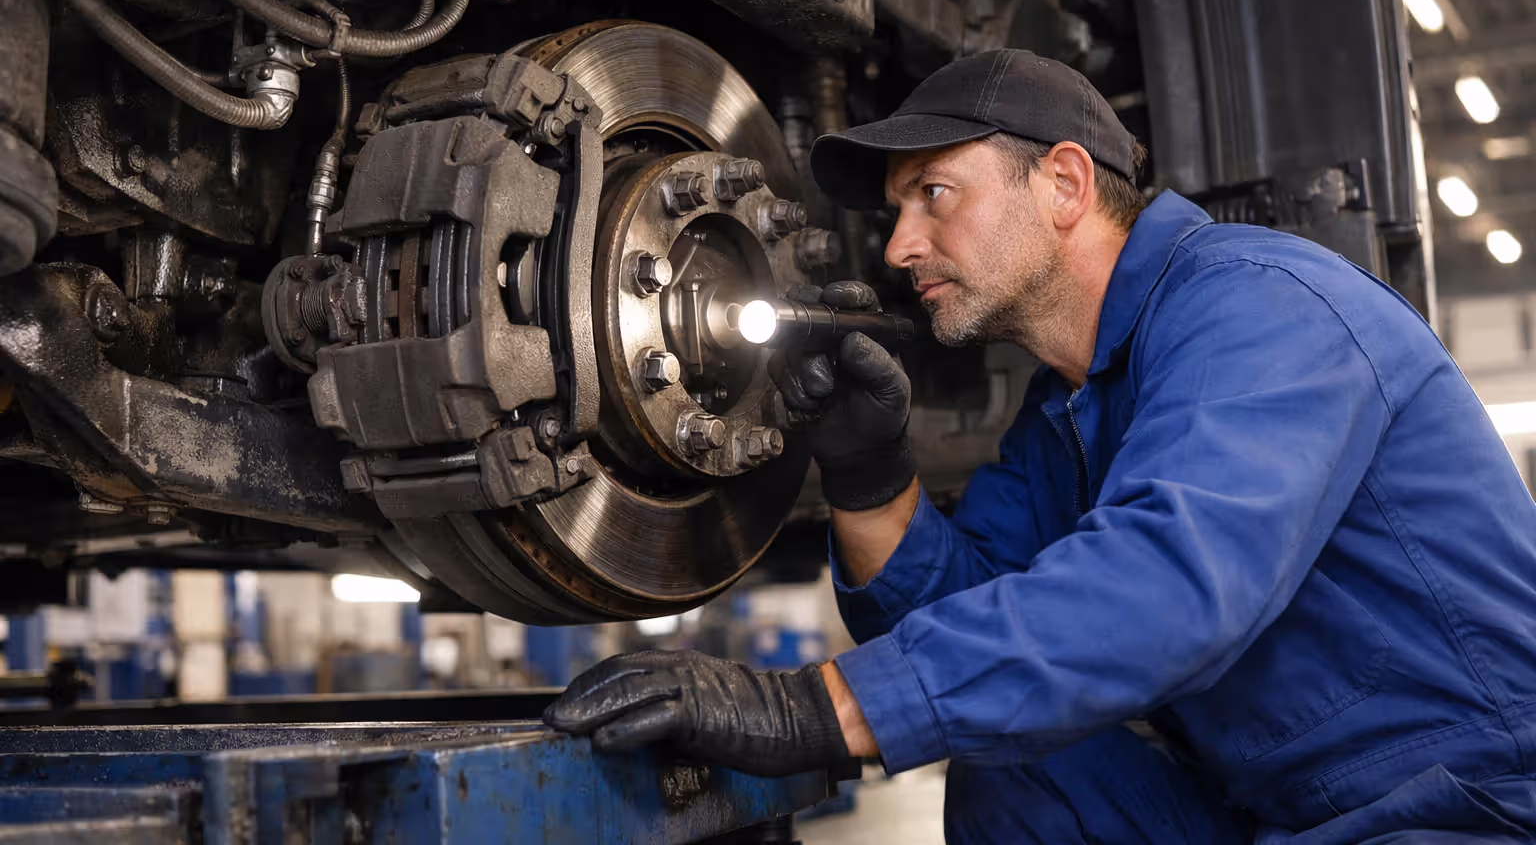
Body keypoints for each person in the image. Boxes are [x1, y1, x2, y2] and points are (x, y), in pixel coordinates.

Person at [545, 50, 1536, 843]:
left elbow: (1170, 586)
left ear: (1063, 182)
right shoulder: (1064, 407)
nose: (896, 247)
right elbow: (975, 628)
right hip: (1274, 816)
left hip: (1461, 806)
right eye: (896, 211)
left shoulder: (1260, 305)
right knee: (1016, 764)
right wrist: (870, 476)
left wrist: (814, 711)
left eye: (933, 194)